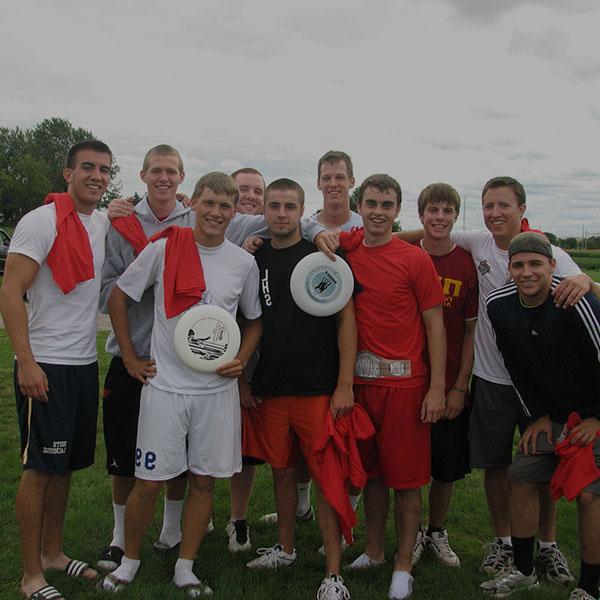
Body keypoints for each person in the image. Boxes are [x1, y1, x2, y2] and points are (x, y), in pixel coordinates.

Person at [99, 172, 262, 596]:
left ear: (233, 212)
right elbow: (119, 296)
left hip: (215, 394)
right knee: (148, 483)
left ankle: (185, 567)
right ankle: (130, 561)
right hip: (166, 390)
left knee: (204, 482)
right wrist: (131, 358)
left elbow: (254, 320)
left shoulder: (242, 262)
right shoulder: (166, 248)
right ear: (197, 205)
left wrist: (242, 358)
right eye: (209, 203)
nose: (216, 212)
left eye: (225, 206)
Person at [449, 177, 592, 580]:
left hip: (542, 386)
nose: (495, 213)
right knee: (496, 466)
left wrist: (587, 280)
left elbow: (584, 290)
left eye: (504, 206)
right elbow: (430, 230)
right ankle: (504, 544)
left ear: (522, 209)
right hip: (492, 376)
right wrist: (351, 234)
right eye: (488, 205)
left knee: (538, 465)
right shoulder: (478, 241)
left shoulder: (552, 254)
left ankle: (547, 546)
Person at [0, 140, 113, 600]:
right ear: (67, 173)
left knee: (64, 466)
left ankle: (53, 553)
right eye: (87, 168)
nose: (97, 177)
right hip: (44, 363)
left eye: (105, 170)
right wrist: (26, 361)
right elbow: (10, 291)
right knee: (41, 468)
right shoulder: (41, 221)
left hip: (83, 364)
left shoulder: (102, 221)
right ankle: (31, 576)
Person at [242, 178, 357, 600]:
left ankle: (332, 574)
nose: (281, 213)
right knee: (282, 472)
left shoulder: (323, 254)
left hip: (317, 388)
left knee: (328, 480)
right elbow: (248, 321)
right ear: (265, 210)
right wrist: (245, 379)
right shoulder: (252, 258)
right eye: (274, 205)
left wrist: (344, 383)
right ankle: (286, 548)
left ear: (301, 210)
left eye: (290, 206)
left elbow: (347, 319)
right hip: (272, 387)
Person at [342, 174, 446, 600]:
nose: (379, 211)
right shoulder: (346, 252)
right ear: (360, 206)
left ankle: (404, 564)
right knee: (372, 477)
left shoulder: (415, 259)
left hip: (406, 385)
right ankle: (375, 550)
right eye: (371, 203)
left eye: (387, 204)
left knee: (406, 481)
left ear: (397, 209)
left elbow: (435, 325)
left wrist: (437, 387)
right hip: (363, 385)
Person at [481, 232, 600, 600]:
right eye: (518, 265)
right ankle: (524, 570)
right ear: (509, 269)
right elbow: (515, 364)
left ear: (552, 266)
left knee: (589, 495)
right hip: (550, 414)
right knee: (521, 475)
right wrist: (536, 415)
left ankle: (590, 587)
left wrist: (598, 418)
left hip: (591, 414)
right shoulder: (499, 305)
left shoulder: (573, 300)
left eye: (536, 264)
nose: (527, 272)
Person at [97, 144, 196, 571]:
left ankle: (171, 529)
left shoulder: (193, 220)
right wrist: (149, 272)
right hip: (132, 356)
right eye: (156, 170)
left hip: (179, 361)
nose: (163, 178)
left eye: (171, 171)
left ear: (181, 177)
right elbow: (106, 294)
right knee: (122, 452)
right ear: (142, 176)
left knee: (177, 453)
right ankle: (120, 536)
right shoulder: (119, 222)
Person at [411, 183, 477, 569]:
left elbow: (470, 332)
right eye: (432, 210)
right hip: (409, 378)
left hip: (450, 376)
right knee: (409, 465)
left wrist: (459, 386)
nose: (439, 217)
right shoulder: (405, 254)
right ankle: (413, 531)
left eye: (446, 211)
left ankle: (436, 530)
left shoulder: (464, 263)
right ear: (421, 215)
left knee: (445, 465)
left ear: (455, 216)